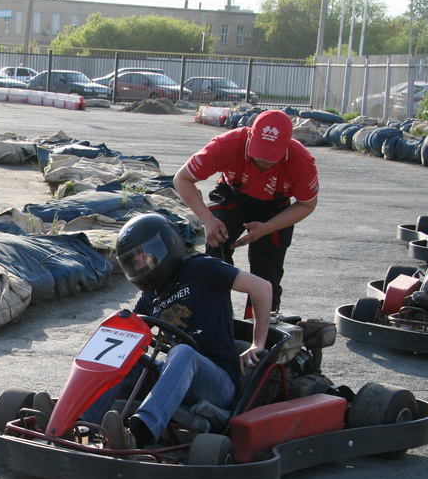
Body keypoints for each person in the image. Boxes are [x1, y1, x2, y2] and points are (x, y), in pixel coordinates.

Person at [100, 213, 273, 450]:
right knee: (120, 352)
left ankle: (140, 433)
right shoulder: (150, 295)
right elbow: (127, 334)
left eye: (146, 254)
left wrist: (258, 343)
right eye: (135, 260)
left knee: (183, 351)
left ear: (167, 245)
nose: (143, 263)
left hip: (219, 382)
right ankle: (80, 422)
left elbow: (262, 287)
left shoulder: (201, 268)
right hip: (175, 374)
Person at [173, 109, 319, 313]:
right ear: (250, 135)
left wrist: (268, 227)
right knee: (216, 250)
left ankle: (260, 331)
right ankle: (215, 317)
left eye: (272, 156)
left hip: (275, 210)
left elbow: (307, 204)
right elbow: (182, 179)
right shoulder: (227, 144)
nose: (265, 162)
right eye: (260, 154)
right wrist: (207, 219)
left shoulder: (301, 160)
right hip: (233, 196)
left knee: (267, 274)